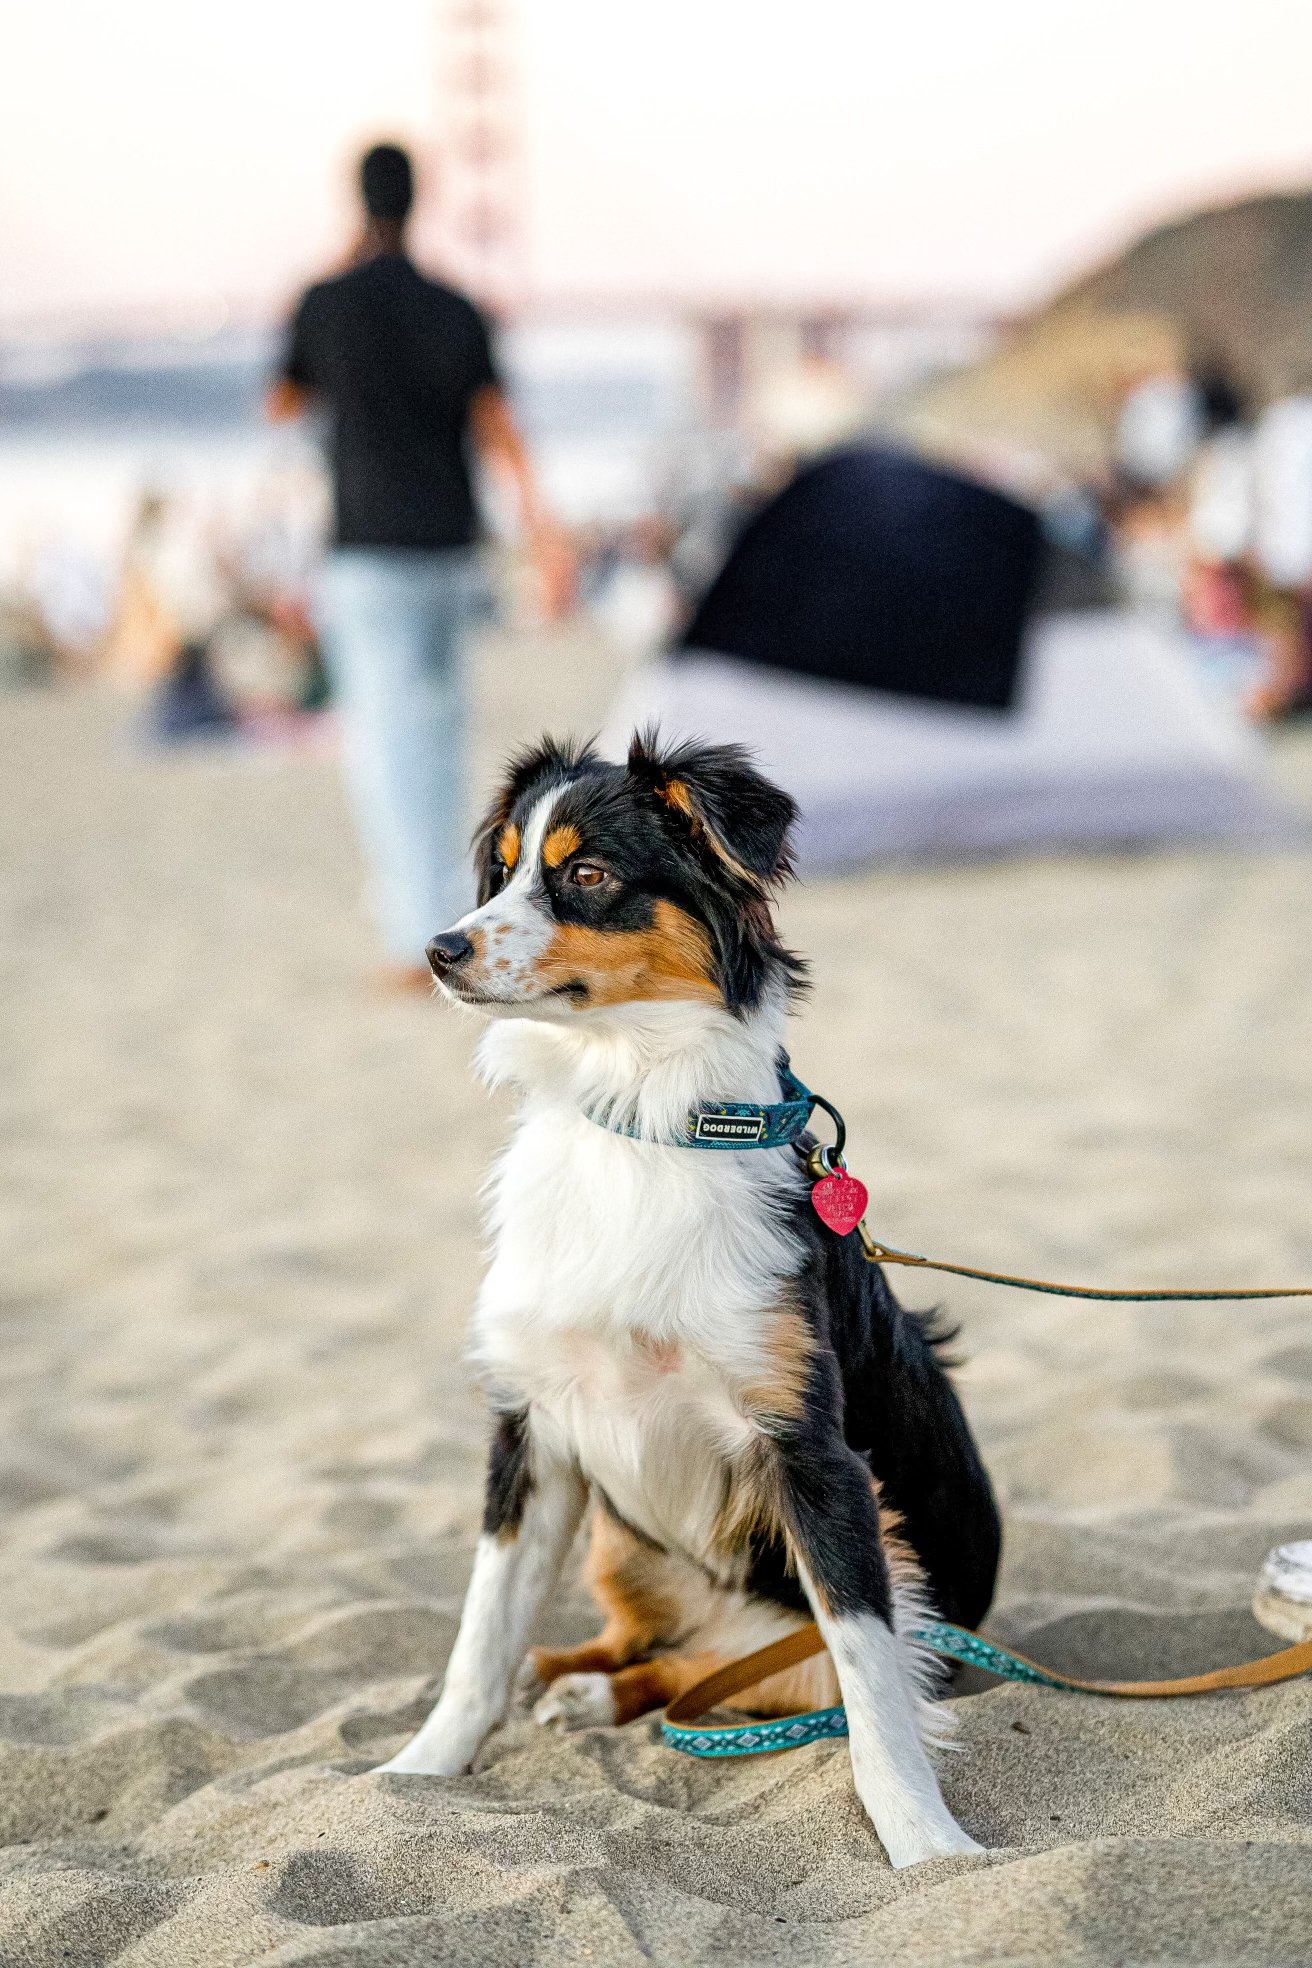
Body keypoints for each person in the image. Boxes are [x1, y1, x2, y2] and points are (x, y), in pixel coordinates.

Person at [269, 142, 572, 988]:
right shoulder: (457, 306)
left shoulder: (324, 303)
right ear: (422, 199)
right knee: (438, 737)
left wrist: (335, 276)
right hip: (450, 550)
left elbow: (280, 403)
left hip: (367, 553)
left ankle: (417, 936)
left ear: (355, 200)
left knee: (386, 744)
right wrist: (544, 537)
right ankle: (446, 912)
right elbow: (499, 428)